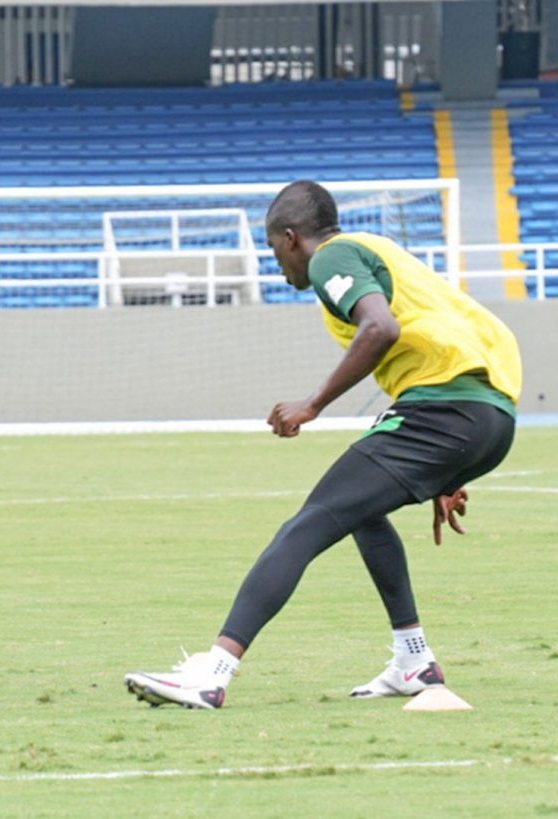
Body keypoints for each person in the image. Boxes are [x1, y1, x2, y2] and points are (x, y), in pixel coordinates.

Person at [125, 179, 522, 709]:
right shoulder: (381, 250)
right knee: (363, 512)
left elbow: (380, 327)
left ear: (291, 238)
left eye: (273, 250)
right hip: (492, 414)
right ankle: (414, 661)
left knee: (308, 524)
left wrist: (313, 404)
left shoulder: (329, 258)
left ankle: (211, 672)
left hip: (445, 410)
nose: (279, 264)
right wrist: (455, 469)